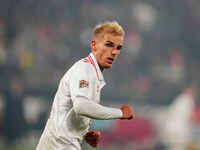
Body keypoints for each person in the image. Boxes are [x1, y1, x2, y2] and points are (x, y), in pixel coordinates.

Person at [36, 21, 134, 150]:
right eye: (109, 45)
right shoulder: (84, 69)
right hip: (59, 145)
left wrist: (83, 133)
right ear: (94, 45)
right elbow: (81, 106)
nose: (114, 52)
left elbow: (72, 110)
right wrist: (120, 113)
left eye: (118, 47)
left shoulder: (93, 73)